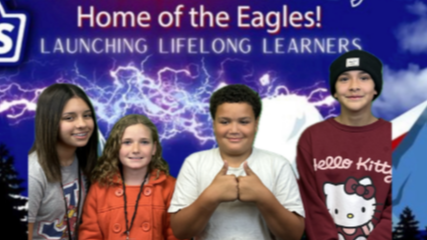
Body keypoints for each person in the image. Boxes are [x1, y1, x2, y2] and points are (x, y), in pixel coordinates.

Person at [169, 84, 305, 240]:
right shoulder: (194, 163)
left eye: (244, 122)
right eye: (225, 122)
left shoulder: (278, 165)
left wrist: (263, 197)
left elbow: (294, 235)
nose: (234, 130)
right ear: (213, 124)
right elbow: (180, 232)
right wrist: (210, 197)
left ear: (256, 123)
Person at [296, 50, 392, 240]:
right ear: (334, 90)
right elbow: (311, 202)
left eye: (364, 78)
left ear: (376, 88)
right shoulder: (312, 137)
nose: (354, 86)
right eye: (344, 79)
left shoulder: (399, 135)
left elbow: (401, 204)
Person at [79, 114, 184, 240]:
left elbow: (178, 234)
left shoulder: (170, 187)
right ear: (116, 147)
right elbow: (90, 234)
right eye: (127, 142)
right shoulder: (100, 188)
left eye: (144, 142)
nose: (135, 149)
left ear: (154, 148)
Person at [28, 83, 99, 240]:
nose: (82, 124)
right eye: (69, 118)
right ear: (49, 122)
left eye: (87, 115)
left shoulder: (85, 163)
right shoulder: (33, 172)